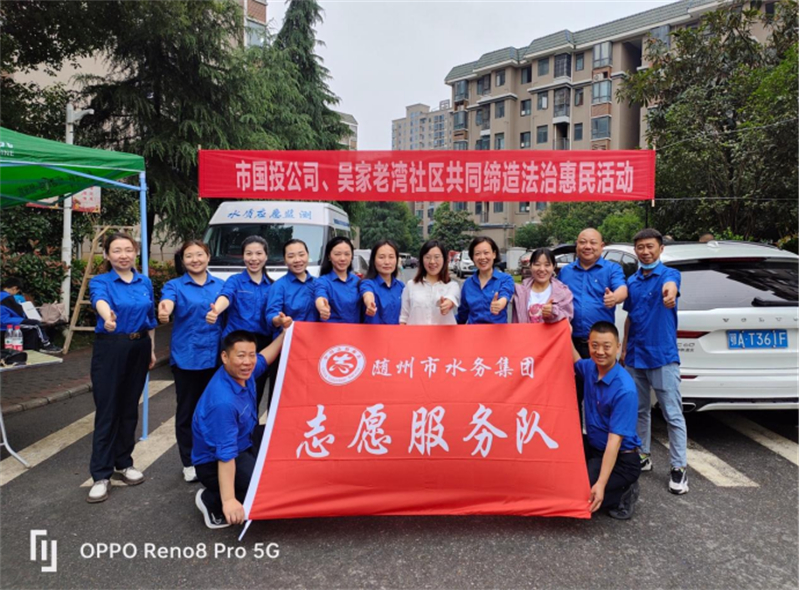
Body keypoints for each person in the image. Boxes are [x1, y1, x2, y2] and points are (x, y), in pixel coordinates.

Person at [87, 232, 157, 503]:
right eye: (117, 250)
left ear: (136, 252)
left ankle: (124, 462)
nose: (123, 255)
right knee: (108, 410)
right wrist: (108, 317)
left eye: (128, 250)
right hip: (111, 347)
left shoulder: (144, 281)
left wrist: (151, 349)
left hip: (139, 346)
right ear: (107, 255)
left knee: (129, 409)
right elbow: (100, 301)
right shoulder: (101, 281)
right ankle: (101, 475)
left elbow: (150, 318)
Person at [193, 329, 287, 529]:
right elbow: (225, 455)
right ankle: (212, 500)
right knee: (263, 492)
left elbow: (264, 358)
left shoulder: (244, 372)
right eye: (241, 356)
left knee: (283, 440)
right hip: (215, 461)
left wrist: (284, 335)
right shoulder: (223, 402)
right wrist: (229, 500)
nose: (247, 362)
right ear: (225, 357)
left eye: (251, 355)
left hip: (245, 439)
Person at [621, 228, 689, 495]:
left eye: (650, 246)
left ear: (661, 249)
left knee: (672, 414)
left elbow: (671, 287)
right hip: (635, 355)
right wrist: (624, 348)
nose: (645, 251)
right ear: (635, 251)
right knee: (639, 410)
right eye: (640, 247)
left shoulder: (670, 275)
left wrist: (670, 294)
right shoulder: (633, 281)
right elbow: (630, 317)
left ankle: (679, 467)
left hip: (662, 356)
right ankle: (643, 454)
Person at [158, 240, 224, 483]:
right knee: (187, 412)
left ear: (208, 257)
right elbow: (167, 302)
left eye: (199, 254)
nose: (195, 260)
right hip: (188, 358)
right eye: (189, 256)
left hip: (217, 358)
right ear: (183, 260)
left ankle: (213, 456)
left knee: (215, 410)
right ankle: (189, 461)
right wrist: (165, 310)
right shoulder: (174, 285)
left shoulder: (221, 285)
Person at [572, 321, 642, 520]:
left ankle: (624, 492)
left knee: (582, 494)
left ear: (618, 347)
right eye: (594, 345)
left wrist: (601, 484)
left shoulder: (624, 390)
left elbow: (615, 441)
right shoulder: (590, 368)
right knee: (562, 472)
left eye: (606, 346)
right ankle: (601, 481)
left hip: (622, 459)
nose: (600, 352)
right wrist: (564, 331)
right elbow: (576, 360)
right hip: (595, 448)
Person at [558, 228, 627, 411]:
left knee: (601, 397)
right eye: (583, 242)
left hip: (600, 347)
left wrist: (615, 297)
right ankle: (575, 431)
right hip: (571, 344)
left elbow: (622, 289)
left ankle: (599, 431)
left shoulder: (612, 269)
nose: (587, 246)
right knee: (571, 397)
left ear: (602, 246)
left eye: (593, 242)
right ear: (577, 245)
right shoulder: (565, 272)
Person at [206, 236, 273, 411]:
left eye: (259, 253)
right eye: (249, 253)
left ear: (266, 256)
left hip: (261, 344)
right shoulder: (235, 281)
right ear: (243, 256)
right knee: (232, 392)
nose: (254, 258)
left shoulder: (273, 286)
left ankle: (250, 427)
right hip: (236, 343)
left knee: (256, 391)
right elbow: (226, 296)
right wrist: (216, 310)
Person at [400, 239, 460, 325]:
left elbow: (451, 298)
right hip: (415, 333)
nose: (432, 261)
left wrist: (447, 304)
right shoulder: (411, 285)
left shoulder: (452, 286)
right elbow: (404, 317)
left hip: (443, 334)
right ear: (422, 259)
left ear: (444, 259)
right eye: (427, 257)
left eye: (437, 257)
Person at [456, 236, 514, 325]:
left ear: (494, 254)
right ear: (472, 257)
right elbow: (462, 315)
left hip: (498, 332)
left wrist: (500, 303)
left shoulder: (506, 279)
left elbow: (505, 294)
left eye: (486, 253)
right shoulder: (468, 283)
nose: (482, 257)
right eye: (477, 254)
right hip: (473, 332)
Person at [265, 239, 319, 331]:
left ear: (308, 255)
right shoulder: (279, 286)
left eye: (301, 255)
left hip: (316, 336)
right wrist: (279, 320)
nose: (297, 260)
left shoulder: (319, 283)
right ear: (285, 260)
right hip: (291, 336)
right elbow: (271, 314)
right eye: (291, 256)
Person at [511, 248, 574, 324]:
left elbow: (567, 318)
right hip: (523, 332)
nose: (542, 269)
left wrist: (553, 312)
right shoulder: (519, 291)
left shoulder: (563, 293)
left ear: (553, 266)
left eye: (547, 265)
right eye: (537, 264)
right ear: (530, 266)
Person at [0, 278, 61, 353]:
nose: (16, 293)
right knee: (36, 324)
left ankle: (32, 348)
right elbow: (18, 312)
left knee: (31, 326)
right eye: (17, 291)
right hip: (5, 322)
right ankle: (46, 345)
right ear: (14, 288)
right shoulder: (6, 298)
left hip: (4, 320)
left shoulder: (2, 296)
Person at [313, 236, 362, 324]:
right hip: (332, 331)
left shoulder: (358, 281)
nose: (342, 258)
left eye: (347, 254)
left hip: (355, 331)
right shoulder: (323, 281)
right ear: (329, 256)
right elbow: (320, 296)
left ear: (352, 256)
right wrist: (322, 308)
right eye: (337, 254)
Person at [360, 240, 405, 325]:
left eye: (391, 257)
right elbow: (368, 295)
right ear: (373, 260)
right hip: (373, 333)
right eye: (381, 257)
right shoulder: (368, 283)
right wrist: (370, 305)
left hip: (396, 333)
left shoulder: (401, 287)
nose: (387, 262)